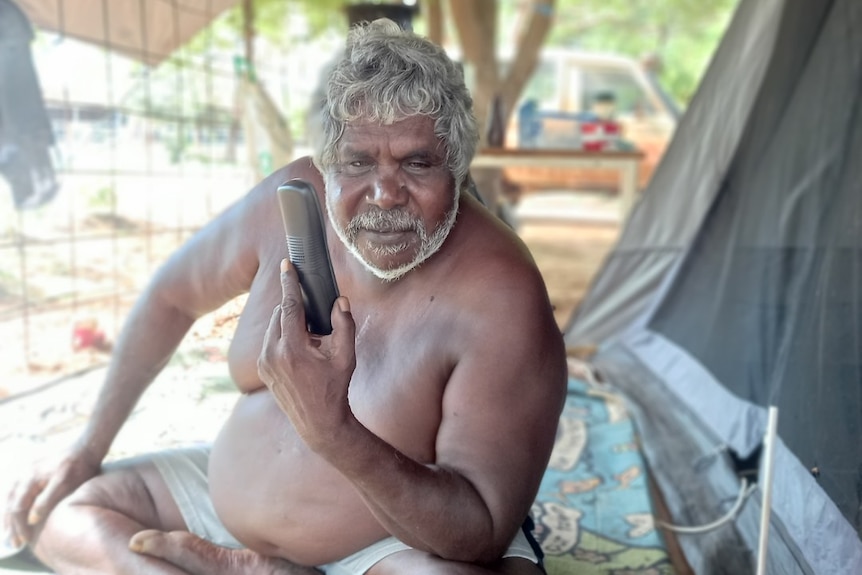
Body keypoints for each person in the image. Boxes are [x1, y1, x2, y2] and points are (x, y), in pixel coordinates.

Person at [3, 19, 567, 575]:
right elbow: (169, 297)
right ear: (326, 164)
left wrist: (333, 432)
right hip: (220, 503)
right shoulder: (290, 202)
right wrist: (86, 446)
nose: (385, 194)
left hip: (391, 547)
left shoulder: (500, 291)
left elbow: (481, 529)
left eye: (417, 163)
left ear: (458, 166)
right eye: (358, 162)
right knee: (59, 515)